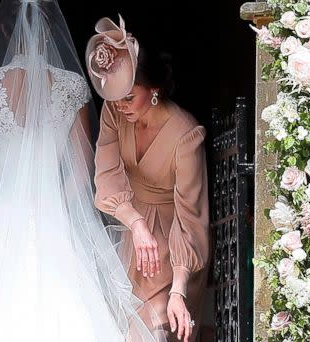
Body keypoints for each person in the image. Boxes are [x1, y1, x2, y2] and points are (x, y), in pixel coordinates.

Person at [0, 1, 161, 341]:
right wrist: (61, 203)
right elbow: (83, 165)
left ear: (3, 30)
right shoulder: (71, 87)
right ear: (51, 31)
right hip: (55, 218)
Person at [86, 16, 210, 342]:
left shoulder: (187, 135)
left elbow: (191, 219)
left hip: (174, 247)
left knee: (153, 326)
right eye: (116, 96)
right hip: (134, 237)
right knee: (120, 326)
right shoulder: (114, 111)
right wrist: (136, 223)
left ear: (154, 90)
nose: (120, 105)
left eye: (130, 97)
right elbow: (107, 175)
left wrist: (179, 290)